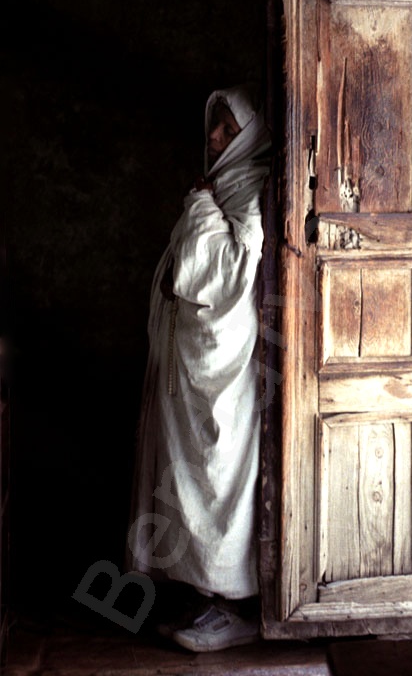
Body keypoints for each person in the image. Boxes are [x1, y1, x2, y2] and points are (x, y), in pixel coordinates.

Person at [126, 84, 271, 652]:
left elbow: (232, 273)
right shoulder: (218, 187)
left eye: (227, 130)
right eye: (213, 127)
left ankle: (233, 603)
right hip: (184, 370)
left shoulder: (249, 188)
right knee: (186, 473)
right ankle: (202, 595)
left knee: (216, 473)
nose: (214, 138)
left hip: (221, 374)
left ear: (249, 136)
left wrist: (203, 207)